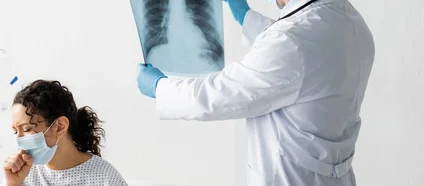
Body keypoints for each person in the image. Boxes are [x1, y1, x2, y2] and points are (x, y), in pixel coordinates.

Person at [136, 0, 375, 185]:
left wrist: (160, 87)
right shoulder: (350, 22)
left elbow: (218, 95)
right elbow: (299, 55)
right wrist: (246, 17)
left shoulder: (291, 42)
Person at [2, 80, 127, 186]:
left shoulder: (105, 178)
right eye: (15, 132)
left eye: (27, 129)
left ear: (60, 127)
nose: (19, 139)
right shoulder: (22, 174)